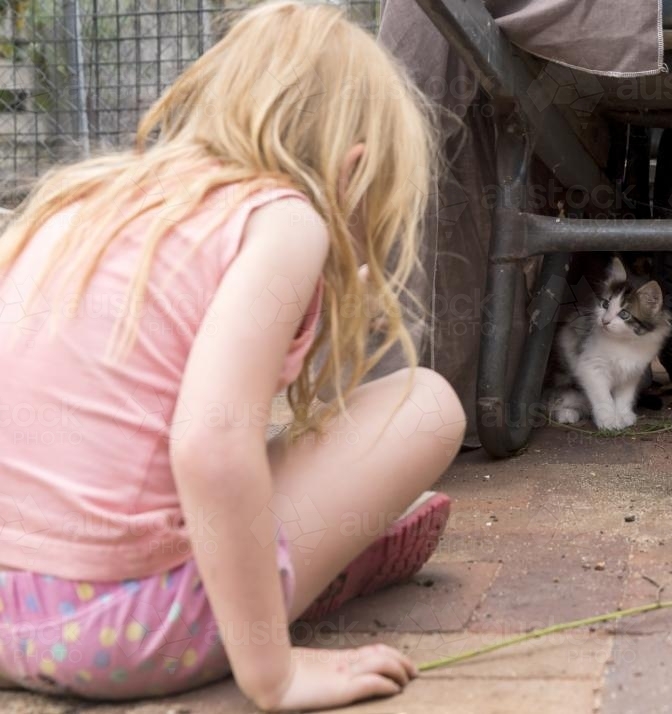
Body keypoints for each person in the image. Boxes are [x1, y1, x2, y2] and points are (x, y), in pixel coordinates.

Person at [0, 1, 465, 710]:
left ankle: (306, 548)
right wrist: (270, 675)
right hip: (118, 634)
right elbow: (211, 447)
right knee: (424, 404)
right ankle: (326, 567)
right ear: (353, 172)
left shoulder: (89, 198)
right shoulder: (286, 217)